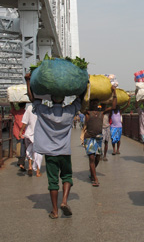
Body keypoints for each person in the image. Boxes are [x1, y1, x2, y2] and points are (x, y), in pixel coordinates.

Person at [25, 72, 86, 219]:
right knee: (67, 177)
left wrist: (28, 81)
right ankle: (64, 201)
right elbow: (80, 100)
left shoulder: (44, 111)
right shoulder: (69, 112)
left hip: (50, 153)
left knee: (53, 181)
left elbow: (33, 99)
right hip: (64, 152)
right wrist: (84, 82)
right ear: (64, 99)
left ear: (51, 99)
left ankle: (55, 211)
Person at [83, 86, 117, 186]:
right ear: (90, 103)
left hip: (98, 138)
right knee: (92, 158)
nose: (94, 104)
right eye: (92, 102)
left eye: (96, 102)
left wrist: (114, 92)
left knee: (97, 158)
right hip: (89, 137)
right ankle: (95, 178)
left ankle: (91, 170)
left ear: (98, 104)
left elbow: (114, 107)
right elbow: (80, 107)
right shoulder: (87, 112)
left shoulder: (102, 112)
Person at [19, 104, 43, 177]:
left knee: (29, 150)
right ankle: (37, 171)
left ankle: (30, 166)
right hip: (39, 134)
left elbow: (25, 122)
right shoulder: (43, 108)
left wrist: (21, 131)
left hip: (29, 133)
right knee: (38, 153)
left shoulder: (29, 108)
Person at [10, 102, 26, 170]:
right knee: (23, 147)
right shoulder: (25, 112)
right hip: (23, 132)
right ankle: (21, 163)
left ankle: (20, 161)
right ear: (25, 106)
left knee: (19, 146)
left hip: (16, 132)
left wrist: (12, 102)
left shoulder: (16, 112)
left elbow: (12, 108)